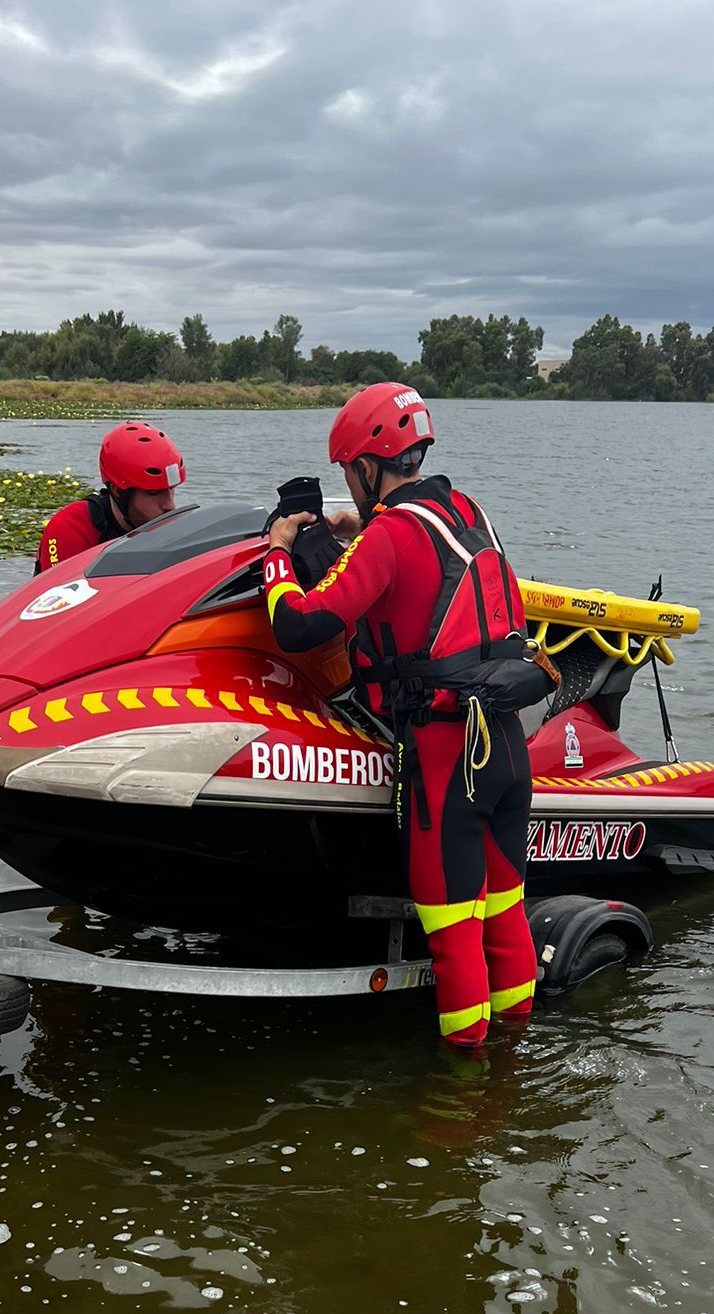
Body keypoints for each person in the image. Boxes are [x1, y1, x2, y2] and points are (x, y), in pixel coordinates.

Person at [263, 383, 547, 1049]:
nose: (349, 485)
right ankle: (515, 1068)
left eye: (347, 473)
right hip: (504, 744)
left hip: (446, 763)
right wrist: (359, 537)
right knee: (505, 915)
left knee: (452, 940)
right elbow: (435, 575)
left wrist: (279, 550)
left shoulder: (389, 535)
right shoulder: (467, 510)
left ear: (366, 466)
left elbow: (298, 626)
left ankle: (462, 1098)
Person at [34, 421, 186, 573]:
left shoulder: (167, 526)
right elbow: (61, 593)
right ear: (118, 491)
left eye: (171, 489)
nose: (170, 506)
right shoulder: (70, 526)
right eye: (153, 493)